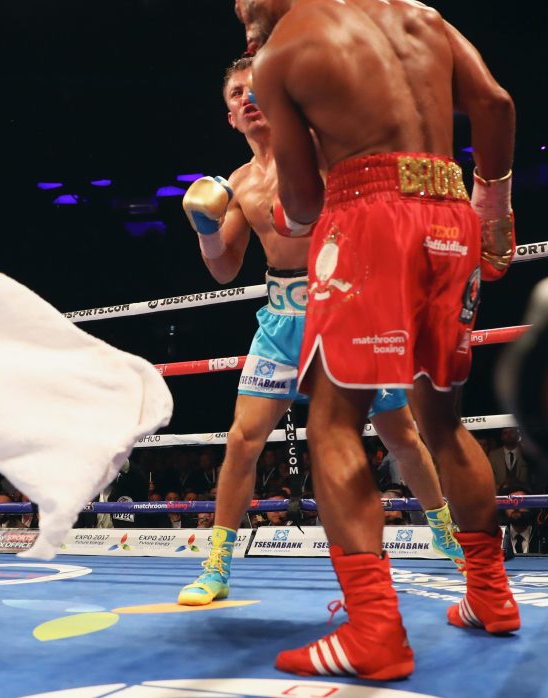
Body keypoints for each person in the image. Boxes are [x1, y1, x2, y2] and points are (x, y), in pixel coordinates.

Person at [237, 0, 519, 679]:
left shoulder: (281, 55)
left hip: (366, 220)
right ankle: (491, 598)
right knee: (442, 421)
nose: (244, 14)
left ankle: (374, 633)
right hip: (452, 218)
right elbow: (497, 102)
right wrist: (494, 207)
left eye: (250, 2)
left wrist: (270, 211)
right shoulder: (418, 14)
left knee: (333, 422)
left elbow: (304, 207)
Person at [176, 56, 463, 608]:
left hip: (345, 306)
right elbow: (224, 268)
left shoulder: (322, 149)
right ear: (230, 116)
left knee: (400, 433)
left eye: (257, 88)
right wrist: (206, 230)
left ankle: (445, 530)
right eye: (237, 93)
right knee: (242, 440)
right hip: (280, 318)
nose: (248, 98)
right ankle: (216, 564)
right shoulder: (237, 182)